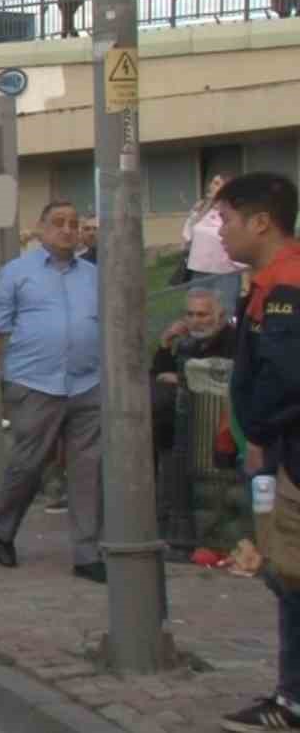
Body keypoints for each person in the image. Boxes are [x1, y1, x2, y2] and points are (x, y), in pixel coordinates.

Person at [0, 201, 104, 582]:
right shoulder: (16, 273)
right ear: (41, 228)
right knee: (28, 464)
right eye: (58, 222)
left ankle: (86, 553)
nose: (67, 229)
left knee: (88, 469)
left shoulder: (94, 275)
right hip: (34, 384)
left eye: (74, 223)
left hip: (87, 383)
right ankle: (2, 526)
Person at [213, 171, 300, 732]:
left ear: (261, 222)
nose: (220, 232)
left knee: (291, 575)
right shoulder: (269, 282)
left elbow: (286, 377)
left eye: (226, 220)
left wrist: (260, 434)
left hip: (289, 456)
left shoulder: (287, 285)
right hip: (278, 450)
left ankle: (292, 701)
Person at [150, 289, 235, 519]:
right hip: (179, 426)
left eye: (202, 314)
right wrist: (165, 344)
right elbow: (158, 376)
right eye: (190, 314)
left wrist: (180, 379)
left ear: (220, 316)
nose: (195, 321)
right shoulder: (188, 342)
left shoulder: (232, 340)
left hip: (214, 427)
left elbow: (224, 379)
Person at [184, 174, 246, 280]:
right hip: (198, 272)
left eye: (216, 183)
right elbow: (188, 234)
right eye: (212, 182)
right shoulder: (202, 209)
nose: (211, 186)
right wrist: (199, 210)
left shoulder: (234, 211)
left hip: (225, 274)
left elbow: (242, 240)